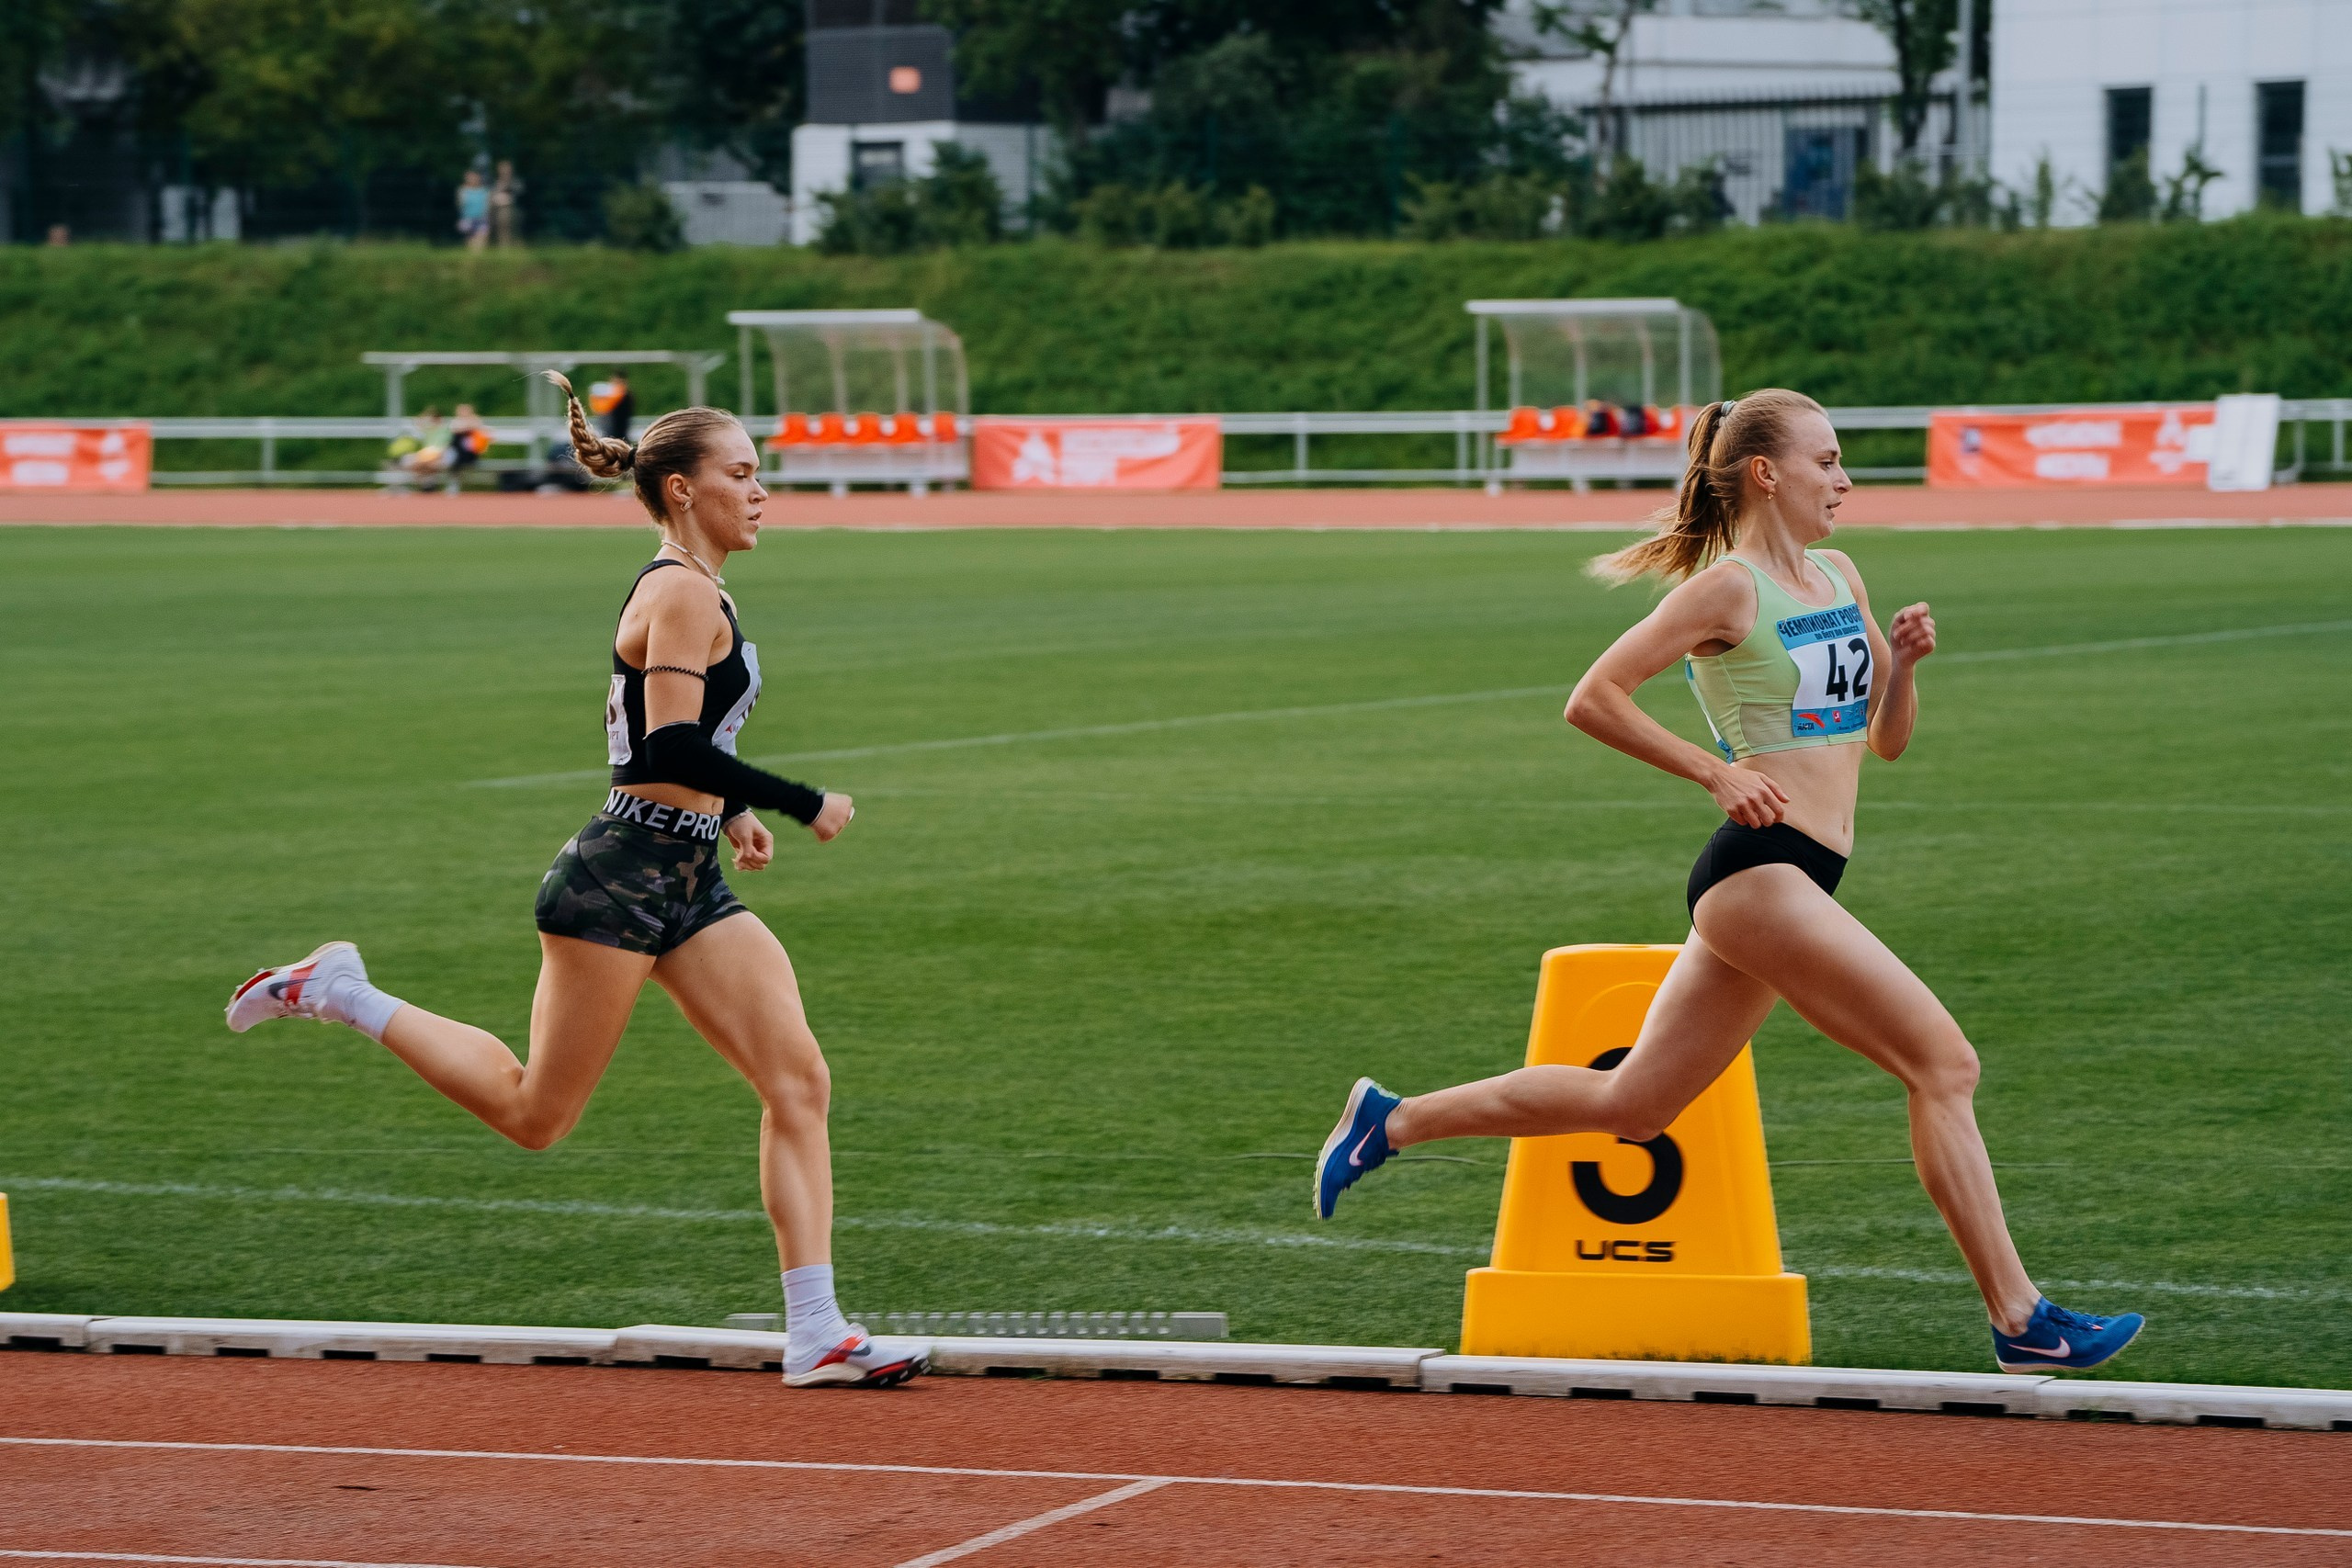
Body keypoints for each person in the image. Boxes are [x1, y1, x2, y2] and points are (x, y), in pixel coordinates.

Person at [1313, 389, 2145, 1377]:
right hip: (1759, 875)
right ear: (1767, 473)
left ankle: (1391, 1120)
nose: (1844, 480)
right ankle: (2021, 1318)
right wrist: (1714, 770)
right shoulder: (1727, 591)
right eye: (1827, 460)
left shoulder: (1837, 573)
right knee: (1943, 1065)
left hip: (1800, 879)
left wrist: (1908, 669)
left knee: (1632, 1106)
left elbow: (1884, 740)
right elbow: (1592, 698)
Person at [227, 375, 922, 1390]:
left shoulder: (701, 585)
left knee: (797, 1080)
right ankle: (341, 989)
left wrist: (724, 815)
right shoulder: (679, 588)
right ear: (682, 490)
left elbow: (671, 742)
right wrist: (794, 798)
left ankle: (816, 1330)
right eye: (741, 473)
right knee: (534, 1116)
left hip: (683, 880)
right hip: (614, 883)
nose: (761, 491)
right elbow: (673, 737)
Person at [491, 160, 525, 248]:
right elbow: (491, 196)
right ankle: (504, 249)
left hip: (512, 209)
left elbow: (520, 193)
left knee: (515, 231)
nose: (504, 171)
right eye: (502, 169)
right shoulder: (496, 182)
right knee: (502, 231)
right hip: (498, 210)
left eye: (507, 168)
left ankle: (516, 249)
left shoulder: (515, 181)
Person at [456, 168, 491, 252]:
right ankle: (471, 261)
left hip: (481, 219)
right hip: (468, 219)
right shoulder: (463, 190)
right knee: (470, 243)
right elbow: (460, 205)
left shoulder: (484, 191)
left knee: (481, 243)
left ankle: (477, 259)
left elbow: (488, 206)